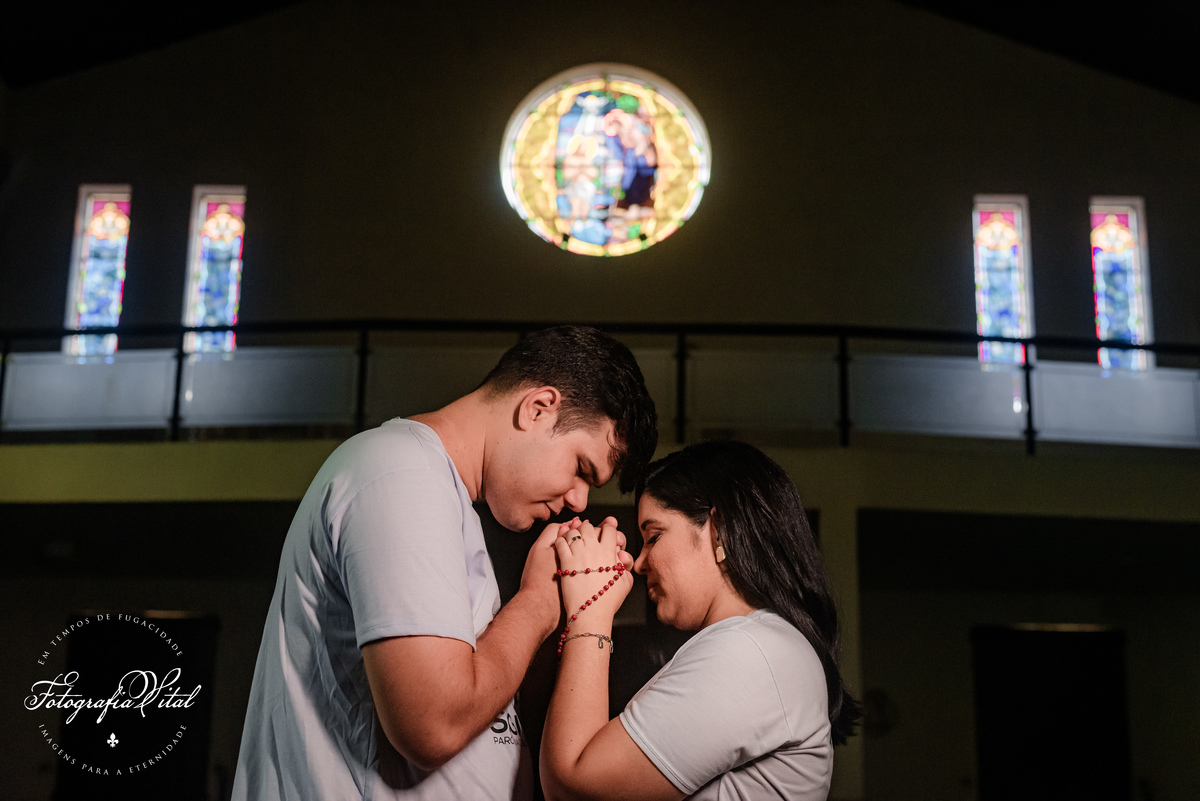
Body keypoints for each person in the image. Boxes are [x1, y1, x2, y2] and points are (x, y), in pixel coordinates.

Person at [231, 326, 658, 801]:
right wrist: (537, 602)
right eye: (582, 468)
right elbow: (435, 724)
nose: (579, 500)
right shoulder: (400, 471)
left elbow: (484, 715)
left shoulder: (440, 495)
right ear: (538, 409)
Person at [540, 441, 861, 801]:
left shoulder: (751, 652)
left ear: (718, 529)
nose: (641, 562)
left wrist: (590, 608)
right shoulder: (758, 646)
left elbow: (575, 786)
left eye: (654, 536)